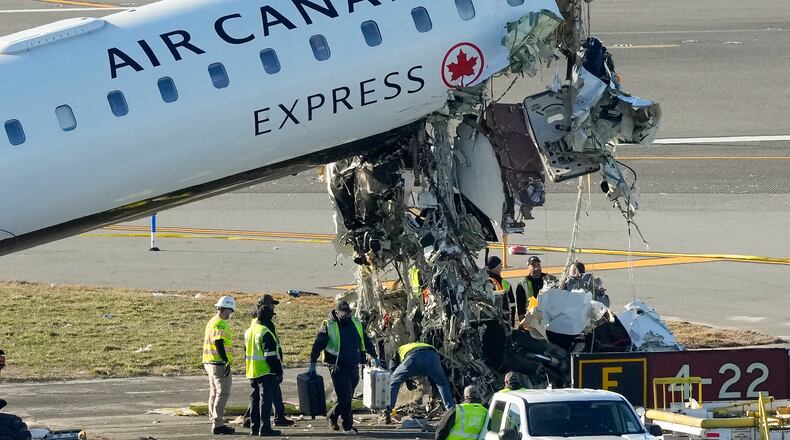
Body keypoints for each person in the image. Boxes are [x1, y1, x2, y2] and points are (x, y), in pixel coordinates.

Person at [309, 300, 378, 434]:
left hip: (353, 364)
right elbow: (318, 345)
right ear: (337, 312)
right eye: (344, 313)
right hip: (337, 366)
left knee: (348, 395)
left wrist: (374, 355)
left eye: (348, 313)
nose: (346, 316)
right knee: (345, 395)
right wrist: (312, 362)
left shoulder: (355, 322)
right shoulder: (329, 325)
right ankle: (347, 426)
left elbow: (365, 339)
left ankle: (332, 416)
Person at [242, 294, 295, 429]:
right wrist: (277, 369)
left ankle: (257, 422)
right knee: (265, 397)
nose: (273, 308)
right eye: (271, 306)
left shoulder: (251, 328)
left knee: (258, 396)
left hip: (253, 368)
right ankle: (263, 425)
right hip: (266, 369)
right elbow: (269, 351)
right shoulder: (264, 327)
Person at [245, 303, 284, 436]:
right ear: (268, 318)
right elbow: (271, 357)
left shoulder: (250, 330)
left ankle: (254, 427)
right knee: (265, 401)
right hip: (265, 372)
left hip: (252, 371)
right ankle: (265, 427)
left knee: (255, 400)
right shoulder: (265, 332)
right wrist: (278, 371)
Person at [202, 295, 236, 435]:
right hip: (218, 363)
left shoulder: (212, 321)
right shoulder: (220, 323)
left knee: (214, 392)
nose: (230, 314)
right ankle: (218, 423)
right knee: (223, 392)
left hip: (209, 361)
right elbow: (219, 342)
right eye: (231, 310)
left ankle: (214, 419)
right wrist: (225, 360)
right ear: (226, 309)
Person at [389, 342, 455, 411]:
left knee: (394, 380)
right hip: (433, 356)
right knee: (441, 383)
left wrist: (406, 379)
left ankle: (388, 409)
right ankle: (451, 410)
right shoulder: (416, 345)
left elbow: (392, 369)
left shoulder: (399, 350)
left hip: (413, 357)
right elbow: (433, 382)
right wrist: (433, 399)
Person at [485, 256, 517, 328]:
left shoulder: (483, 282)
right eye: (500, 265)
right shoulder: (504, 283)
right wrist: (512, 323)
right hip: (502, 319)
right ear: (495, 267)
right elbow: (512, 305)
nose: (502, 267)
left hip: (490, 320)